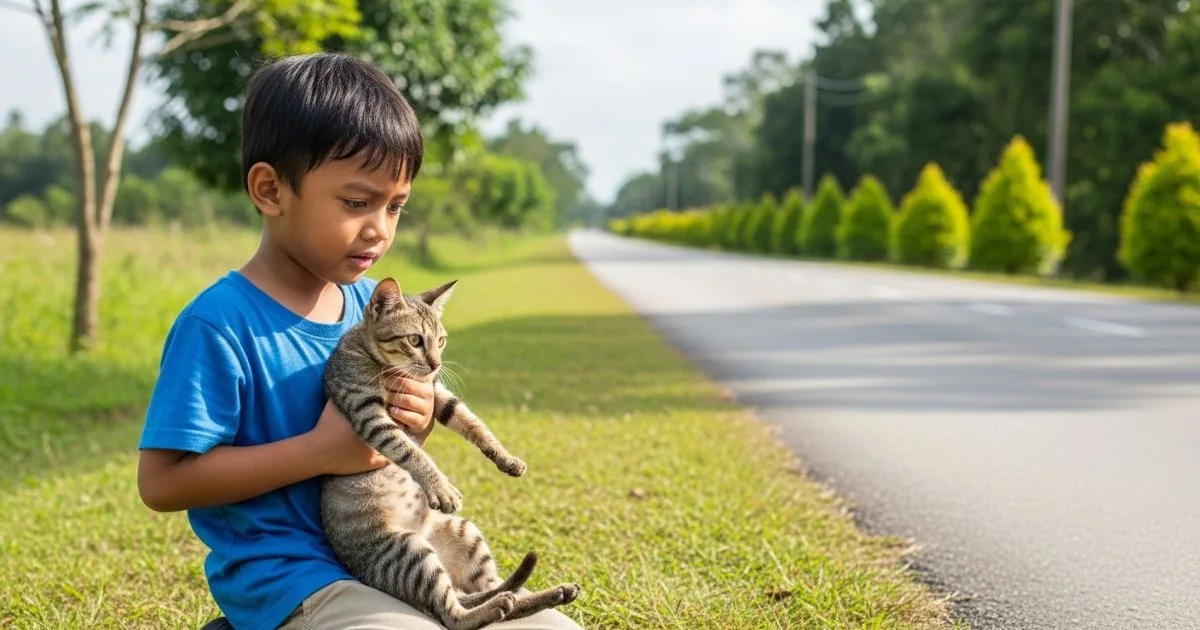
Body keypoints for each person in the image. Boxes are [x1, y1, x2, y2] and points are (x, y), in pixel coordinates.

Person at [136, 52, 583, 630]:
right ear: (270, 190)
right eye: (357, 203)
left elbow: (381, 443)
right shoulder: (220, 324)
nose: (380, 229)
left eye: (395, 205)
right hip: (293, 580)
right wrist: (319, 452)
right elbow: (162, 482)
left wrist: (417, 416)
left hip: (397, 556)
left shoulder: (378, 307)